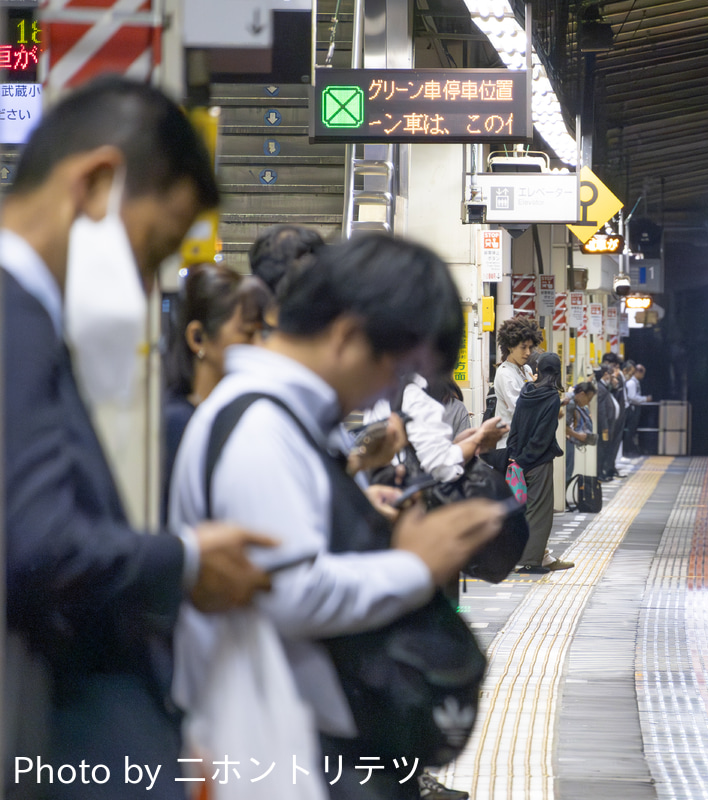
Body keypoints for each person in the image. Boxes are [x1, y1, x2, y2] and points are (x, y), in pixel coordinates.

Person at [1, 76, 274, 798]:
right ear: (94, 184)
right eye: (151, 250)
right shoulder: (14, 318)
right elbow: (37, 546)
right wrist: (184, 560)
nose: (146, 279)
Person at [169, 233, 504, 800]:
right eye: (398, 369)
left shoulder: (285, 418)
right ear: (348, 335)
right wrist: (416, 567)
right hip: (276, 755)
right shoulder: (259, 427)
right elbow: (289, 592)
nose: (392, 389)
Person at [163, 263, 271, 519]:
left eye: (260, 334)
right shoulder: (177, 424)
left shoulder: (239, 412)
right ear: (198, 338)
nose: (259, 347)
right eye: (247, 334)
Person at [507, 352, 573, 574]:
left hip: (518, 462)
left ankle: (528, 557)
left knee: (523, 511)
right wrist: (525, 459)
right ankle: (530, 562)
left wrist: (514, 456)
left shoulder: (526, 392)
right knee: (540, 514)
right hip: (538, 463)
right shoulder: (552, 398)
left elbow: (515, 425)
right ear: (556, 372)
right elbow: (542, 437)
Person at [485, 315, 541, 470]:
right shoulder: (505, 373)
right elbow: (520, 408)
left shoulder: (526, 370)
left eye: (530, 347)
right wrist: (537, 389)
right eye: (523, 347)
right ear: (510, 346)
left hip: (523, 444)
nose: (528, 352)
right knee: (514, 493)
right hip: (508, 446)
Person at [596, 366, 623, 481]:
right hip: (605, 427)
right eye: (611, 376)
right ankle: (600, 473)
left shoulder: (604, 387)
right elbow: (601, 411)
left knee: (605, 449)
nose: (612, 378)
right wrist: (605, 427)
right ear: (605, 374)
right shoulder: (601, 388)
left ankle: (602, 472)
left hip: (608, 425)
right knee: (602, 450)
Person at [565, 381, 596, 480]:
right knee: (567, 472)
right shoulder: (570, 403)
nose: (588, 403)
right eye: (588, 399)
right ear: (582, 394)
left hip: (567, 441)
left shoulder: (571, 401)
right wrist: (578, 436)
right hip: (565, 442)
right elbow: (562, 427)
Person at [623, 363, 651, 455]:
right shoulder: (631, 383)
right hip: (632, 408)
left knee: (632, 430)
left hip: (635, 408)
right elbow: (632, 397)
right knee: (630, 430)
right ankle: (627, 450)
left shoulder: (635, 382)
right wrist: (645, 399)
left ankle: (629, 449)